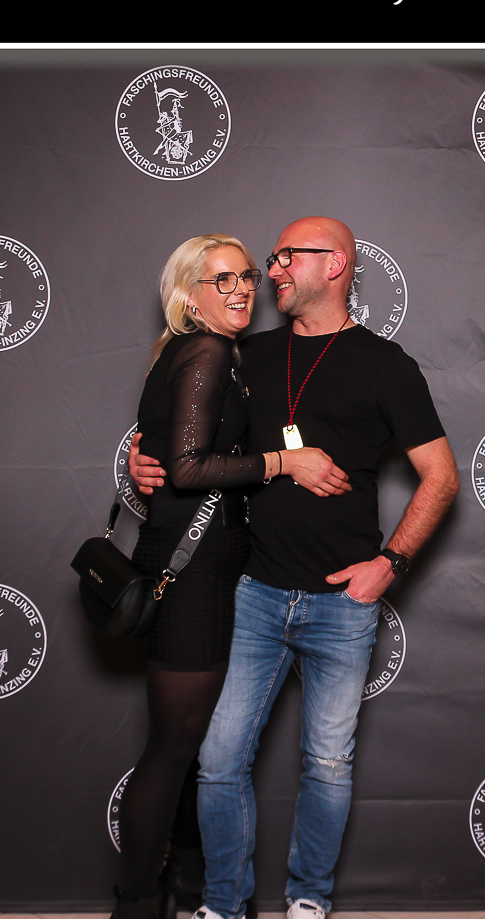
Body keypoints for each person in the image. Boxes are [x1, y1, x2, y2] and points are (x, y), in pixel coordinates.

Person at [129, 217, 460, 919]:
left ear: (334, 264)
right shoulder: (244, 353)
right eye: (268, 260)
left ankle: (310, 899)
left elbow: (441, 476)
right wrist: (143, 454)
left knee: (328, 764)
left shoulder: (386, 365)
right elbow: (190, 431)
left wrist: (389, 564)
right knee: (218, 761)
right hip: (251, 590)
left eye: (284, 258)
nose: (270, 271)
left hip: (342, 601)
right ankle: (224, 904)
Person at [111, 234, 349, 919]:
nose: (242, 288)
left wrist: (146, 456)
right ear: (190, 296)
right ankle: (135, 907)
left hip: (203, 565)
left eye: (245, 275)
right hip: (194, 573)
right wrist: (285, 462)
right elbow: (188, 468)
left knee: (190, 751)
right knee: (171, 751)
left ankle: (194, 891)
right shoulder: (207, 352)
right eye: (221, 280)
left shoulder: (201, 352)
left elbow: (170, 452)